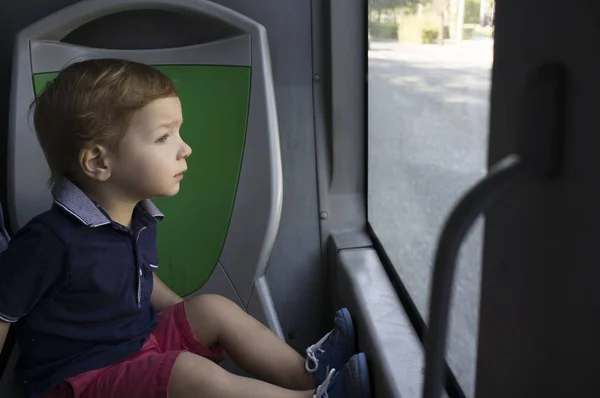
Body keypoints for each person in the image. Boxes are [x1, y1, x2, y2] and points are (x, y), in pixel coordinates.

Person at [0, 59, 372, 398]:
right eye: (164, 138)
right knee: (189, 373)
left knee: (212, 308)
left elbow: (140, 279)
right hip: (79, 381)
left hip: (136, 346)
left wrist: (187, 314)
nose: (185, 149)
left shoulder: (137, 219)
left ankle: (308, 375)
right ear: (99, 161)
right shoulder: (49, 241)